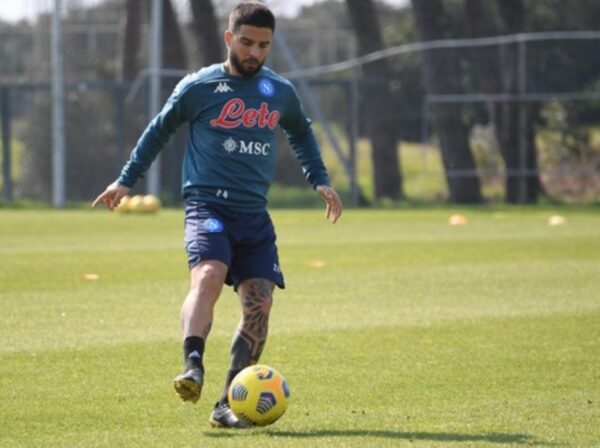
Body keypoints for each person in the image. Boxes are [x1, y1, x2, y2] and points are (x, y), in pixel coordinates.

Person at [92, 1, 342, 429]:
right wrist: (125, 180)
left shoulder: (279, 91)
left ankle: (227, 404)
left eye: (263, 45)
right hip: (207, 206)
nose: (254, 52)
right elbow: (159, 130)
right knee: (208, 274)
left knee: (260, 302)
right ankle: (192, 365)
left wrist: (318, 178)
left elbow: (301, 131)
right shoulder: (200, 87)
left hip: (254, 215)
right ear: (229, 38)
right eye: (246, 42)